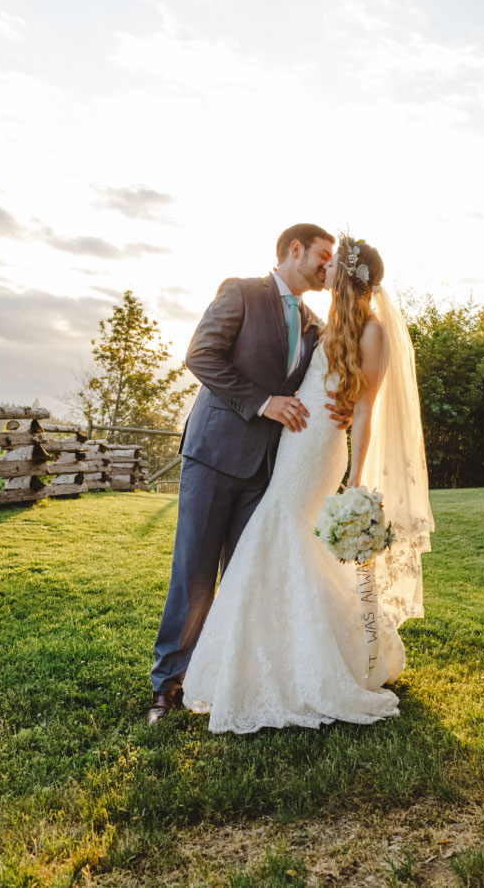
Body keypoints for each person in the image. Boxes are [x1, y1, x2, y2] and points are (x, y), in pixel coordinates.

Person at [182, 234, 433, 732]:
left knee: (284, 530)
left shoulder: (373, 332)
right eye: (324, 258)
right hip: (291, 442)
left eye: (333, 262)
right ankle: (275, 653)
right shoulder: (324, 325)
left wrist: (358, 479)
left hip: (319, 450)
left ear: (347, 275)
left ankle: (310, 665)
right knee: (285, 538)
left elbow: (364, 410)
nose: (325, 268)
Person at [148, 222, 344, 726]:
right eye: (322, 256)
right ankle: (167, 686)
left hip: (268, 471)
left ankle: (228, 678)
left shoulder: (314, 325)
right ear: (294, 249)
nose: (328, 267)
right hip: (213, 454)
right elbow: (200, 356)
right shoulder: (240, 293)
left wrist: (342, 409)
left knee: (240, 578)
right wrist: (262, 402)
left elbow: (320, 382)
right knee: (193, 577)